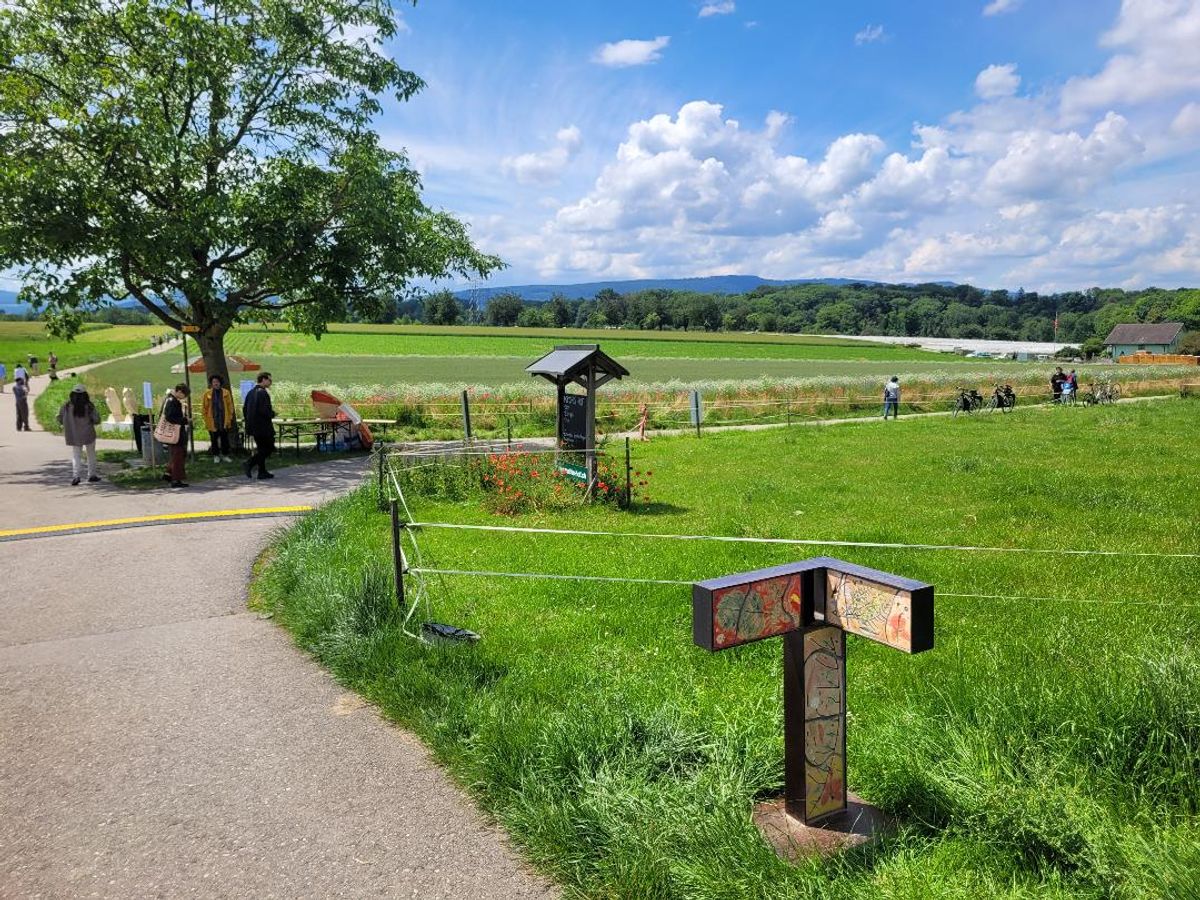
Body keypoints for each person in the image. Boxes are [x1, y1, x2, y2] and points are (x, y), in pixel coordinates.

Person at [57, 384, 102, 485]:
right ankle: (92, 475)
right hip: (88, 434)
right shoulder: (89, 406)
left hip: (74, 434)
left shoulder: (66, 406)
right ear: (85, 394)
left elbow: (59, 418)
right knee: (91, 454)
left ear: (72, 394)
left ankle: (76, 476)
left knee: (76, 456)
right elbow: (96, 419)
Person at [242, 371, 276, 480]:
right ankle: (249, 463)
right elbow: (265, 410)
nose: (271, 382)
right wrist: (273, 414)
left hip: (253, 426)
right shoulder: (262, 392)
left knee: (261, 449)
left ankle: (262, 472)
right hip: (263, 427)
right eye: (270, 380)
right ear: (264, 380)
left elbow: (244, 409)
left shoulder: (250, 392)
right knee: (269, 448)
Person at [201, 374, 235, 463]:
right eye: (214, 382)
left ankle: (225, 455)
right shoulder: (207, 394)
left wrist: (230, 418)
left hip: (224, 420)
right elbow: (204, 408)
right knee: (214, 439)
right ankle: (216, 455)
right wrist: (206, 419)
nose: (216, 383)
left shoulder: (226, 393)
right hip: (212, 420)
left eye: (217, 382)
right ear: (211, 384)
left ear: (220, 383)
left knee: (225, 439)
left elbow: (230, 406)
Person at [163, 383, 191, 488]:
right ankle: (176, 480)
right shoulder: (172, 401)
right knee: (178, 456)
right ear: (179, 391)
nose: (184, 397)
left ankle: (168, 474)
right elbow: (170, 417)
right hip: (176, 433)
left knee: (177, 454)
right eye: (184, 395)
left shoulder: (171, 400)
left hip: (175, 433)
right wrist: (184, 420)